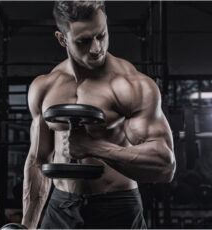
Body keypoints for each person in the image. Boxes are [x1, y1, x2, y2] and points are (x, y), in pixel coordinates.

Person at [22, 1, 176, 229]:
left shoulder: (131, 85)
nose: (96, 48)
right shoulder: (44, 87)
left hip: (116, 206)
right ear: (62, 39)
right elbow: (38, 160)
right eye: (83, 41)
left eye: (101, 35)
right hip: (61, 206)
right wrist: (27, 225)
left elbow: (165, 165)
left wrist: (94, 147)